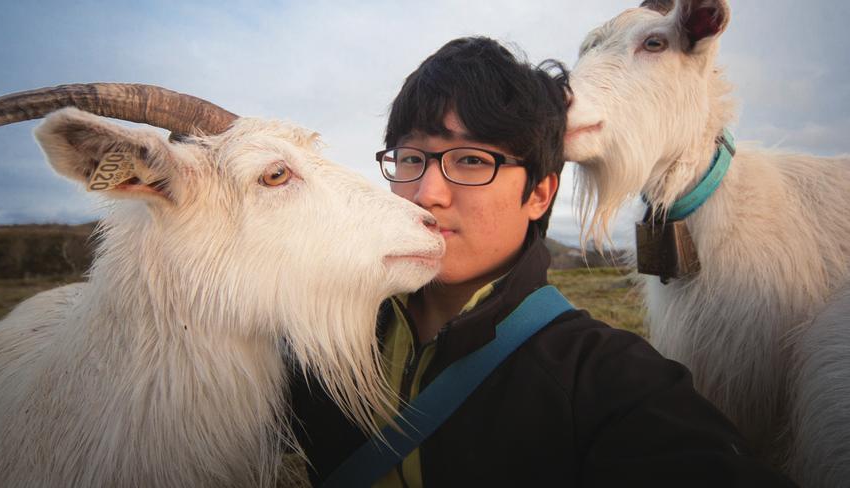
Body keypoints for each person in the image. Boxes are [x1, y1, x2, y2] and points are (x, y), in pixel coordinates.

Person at [289, 37, 793, 486]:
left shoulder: (601, 378)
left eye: (471, 160)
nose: (425, 193)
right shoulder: (313, 336)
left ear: (540, 193)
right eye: (411, 159)